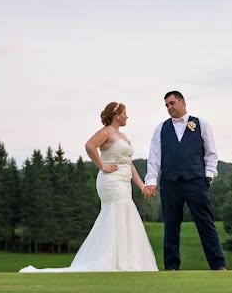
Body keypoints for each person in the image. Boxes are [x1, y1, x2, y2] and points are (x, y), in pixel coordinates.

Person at [20, 102, 158, 272]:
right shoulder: (106, 132)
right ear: (117, 115)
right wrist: (102, 166)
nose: (127, 116)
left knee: (125, 215)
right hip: (111, 182)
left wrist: (142, 186)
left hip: (124, 182)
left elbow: (129, 164)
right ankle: (114, 262)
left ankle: (124, 260)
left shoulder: (122, 136)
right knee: (116, 213)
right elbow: (89, 146)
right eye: (125, 113)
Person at [143, 90, 227, 270]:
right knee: (171, 226)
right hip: (170, 182)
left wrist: (208, 177)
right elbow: (154, 156)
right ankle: (171, 267)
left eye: (172, 103)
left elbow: (211, 154)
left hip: (196, 181)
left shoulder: (201, 124)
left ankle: (218, 265)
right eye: (166, 105)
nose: (169, 107)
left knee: (205, 223)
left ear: (182, 102)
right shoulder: (161, 128)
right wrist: (151, 180)